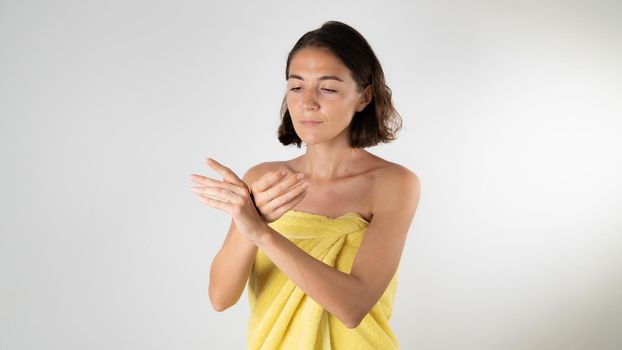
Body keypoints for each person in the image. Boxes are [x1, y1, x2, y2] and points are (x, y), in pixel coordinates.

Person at [190, 20, 421, 350]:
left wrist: (260, 231)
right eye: (296, 87)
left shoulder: (394, 184)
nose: (307, 103)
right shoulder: (262, 179)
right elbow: (220, 297)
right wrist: (247, 226)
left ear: (364, 97)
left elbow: (352, 307)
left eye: (327, 88)